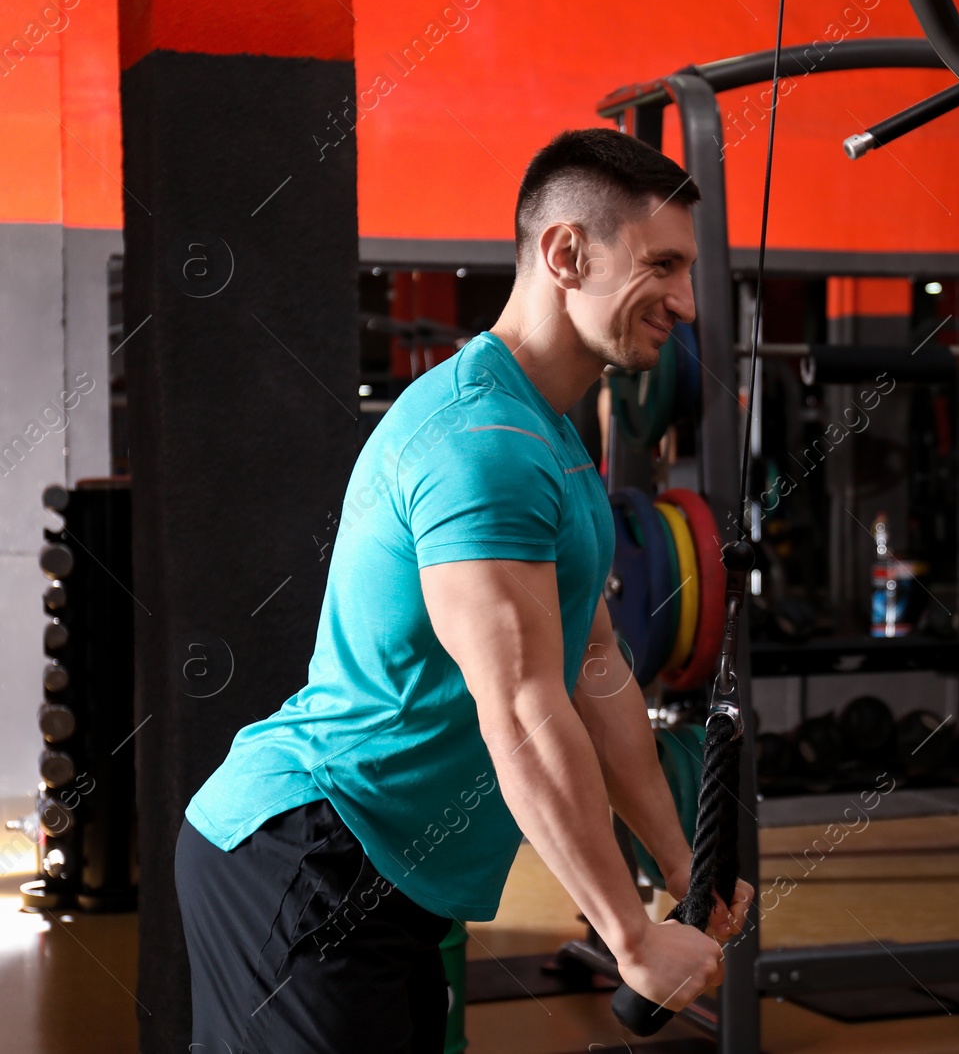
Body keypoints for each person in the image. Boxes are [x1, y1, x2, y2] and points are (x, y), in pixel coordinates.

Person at [176, 128, 753, 1053]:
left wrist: (682, 864)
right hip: (312, 850)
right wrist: (630, 936)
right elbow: (521, 706)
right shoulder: (482, 440)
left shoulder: (554, 436)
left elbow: (591, 663)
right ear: (567, 253)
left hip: (395, 874)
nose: (686, 302)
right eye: (665, 266)